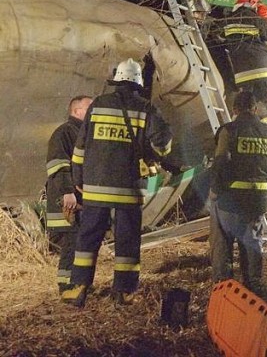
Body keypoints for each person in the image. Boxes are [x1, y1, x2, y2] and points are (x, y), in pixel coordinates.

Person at [61, 58, 173, 307]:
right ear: (138, 84)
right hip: (127, 191)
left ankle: (78, 288)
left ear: (116, 80)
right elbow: (162, 144)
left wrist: (79, 180)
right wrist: (154, 153)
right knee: (127, 241)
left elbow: (80, 147)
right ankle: (123, 292)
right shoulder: (146, 109)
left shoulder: (98, 105)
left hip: (95, 188)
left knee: (87, 239)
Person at [209, 90, 267, 296]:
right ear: (255, 108)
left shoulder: (228, 131)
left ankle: (223, 290)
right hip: (257, 201)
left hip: (229, 202)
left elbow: (221, 162)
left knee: (222, 245)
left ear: (234, 109)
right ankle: (254, 289)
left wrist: (215, 191)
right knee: (252, 245)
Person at [45, 95, 93, 293]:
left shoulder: (82, 133)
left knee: (79, 244)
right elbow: (58, 165)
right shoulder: (64, 132)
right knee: (71, 246)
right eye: (89, 108)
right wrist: (68, 193)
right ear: (76, 111)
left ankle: (79, 285)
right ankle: (67, 286)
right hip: (67, 202)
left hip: (79, 202)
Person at [209, 0, 267, 104]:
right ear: (252, 3)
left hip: (242, 76)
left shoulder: (227, 21)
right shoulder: (258, 20)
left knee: (248, 106)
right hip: (264, 73)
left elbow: (217, 38)